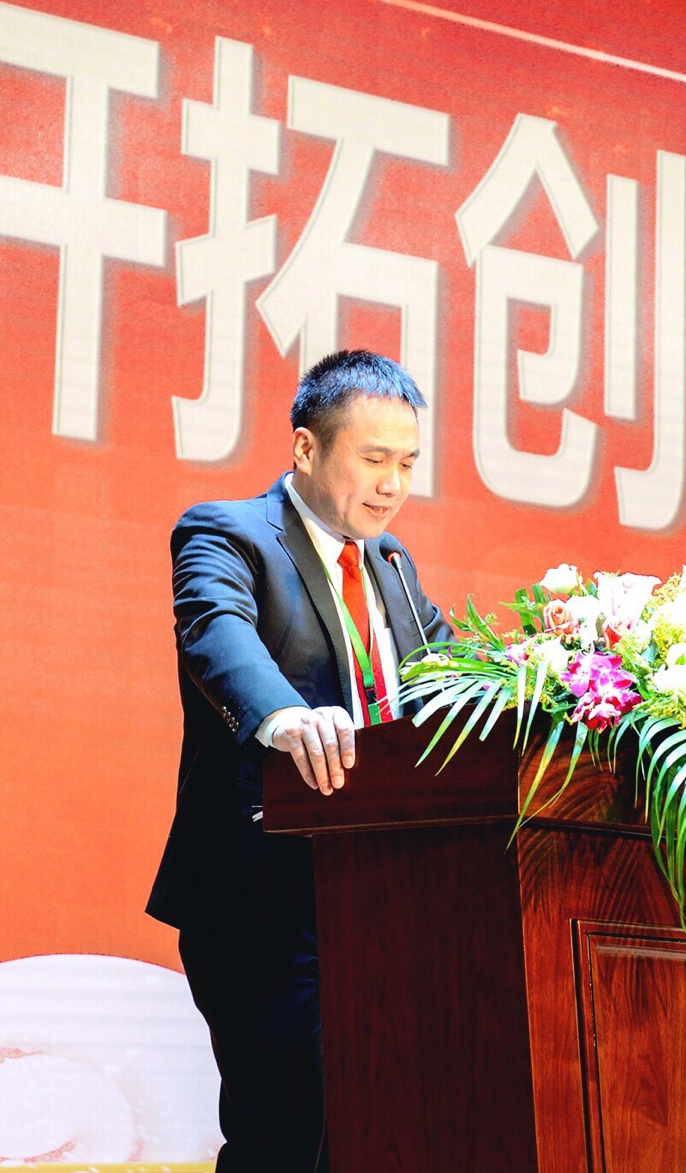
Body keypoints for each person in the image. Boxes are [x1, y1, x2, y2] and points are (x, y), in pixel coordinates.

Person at [146, 350, 455, 1173]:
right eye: (375, 459)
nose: (393, 485)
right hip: (265, 894)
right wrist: (282, 717)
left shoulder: (392, 568)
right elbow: (216, 632)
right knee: (287, 1138)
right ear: (307, 448)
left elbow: (456, 678)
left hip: (378, 901)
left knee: (374, 1137)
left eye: (408, 463)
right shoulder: (229, 534)